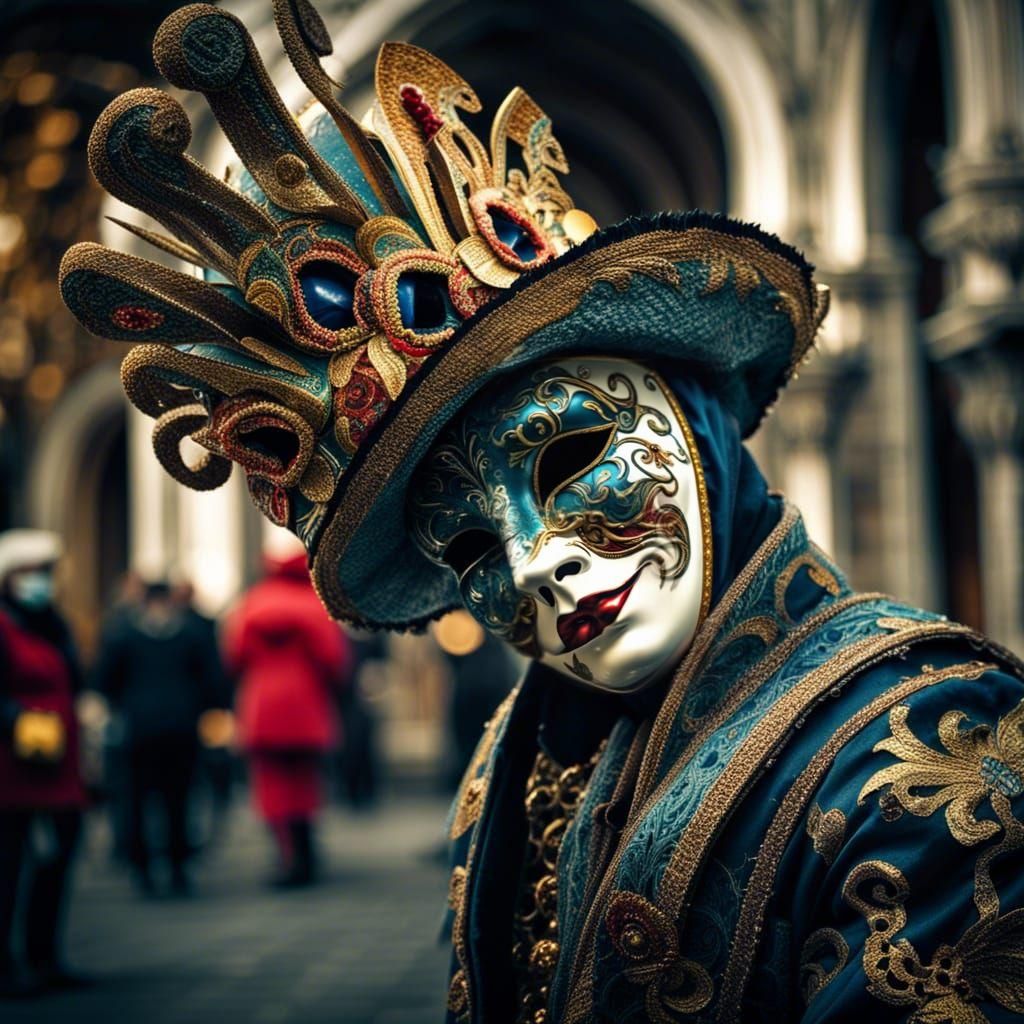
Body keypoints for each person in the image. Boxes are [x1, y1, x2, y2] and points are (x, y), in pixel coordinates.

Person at [61, 4, 1024, 1021]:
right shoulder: (518, 752)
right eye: (470, 540)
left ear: (695, 428)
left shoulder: (941, 739)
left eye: (569, 458)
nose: (528, 566)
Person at [223, 542, 351, 887]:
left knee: (271, 785)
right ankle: (306, 852)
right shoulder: (315, 606)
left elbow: (233, 656)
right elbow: (334, 661)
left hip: (262, 707)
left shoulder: (252, 604)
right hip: (305, 707)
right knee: (305, 782)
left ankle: (284, 854)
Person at [91, 580, 223, 895]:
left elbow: (212, 681)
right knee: (139, 801)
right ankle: (144, 867)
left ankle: (176, 865)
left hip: (176, 732)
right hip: (142, 733)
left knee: (176, 801)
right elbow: (105, 680)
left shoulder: (189, 636)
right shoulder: (125, 637)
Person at [0, 529, 86, 996]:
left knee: (57, 859)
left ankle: (44, 955)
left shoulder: (53, 624)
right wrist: (23, 721)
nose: (42, 582)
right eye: (32, 573)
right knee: (10, 865)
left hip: (58, 765)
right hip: (15, 766)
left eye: (46, 573)